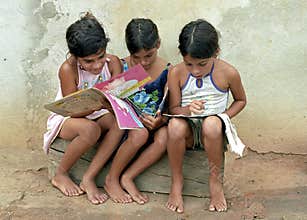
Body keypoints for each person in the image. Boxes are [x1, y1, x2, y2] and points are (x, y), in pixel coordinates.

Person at [165, 19, 247, 213]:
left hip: (214, 133)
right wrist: (187, 109)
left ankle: (215, 182)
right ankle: (176, 181)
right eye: (189, 64)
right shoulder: (176, 73)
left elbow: (241, 100)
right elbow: (173, 109)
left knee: (211, 123)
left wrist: (223, 117)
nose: (195, 70)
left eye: (202, 64)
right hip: (189, 133)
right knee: (175, 126)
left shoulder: (228, 72)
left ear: (216, 52)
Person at [43, 13, 124, 205]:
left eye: (101, 57)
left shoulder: (113, 64)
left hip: (99, 111)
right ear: (75, 57)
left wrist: (113, 104)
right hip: (67, 119)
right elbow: (71, 109)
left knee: (118, 123)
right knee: (90, 129)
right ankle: (60, 174)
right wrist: (100, 104)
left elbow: (118, 98)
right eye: (88, 61)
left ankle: (89, 177)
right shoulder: (68, 69)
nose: (97, 65)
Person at [104, 18, 171, 204]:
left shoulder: (168, 71)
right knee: (139, 134)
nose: (143, 62)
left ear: (158, 44)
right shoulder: (119, 66)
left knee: (165, 136)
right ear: (129, 51)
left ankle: (128, 177)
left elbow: (169, 107)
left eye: (149, 55)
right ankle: (112, 179)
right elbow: (111, 101)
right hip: (126, 128)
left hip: (153, 124)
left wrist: (161, 121)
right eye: (137, 57)